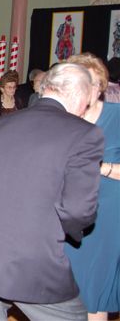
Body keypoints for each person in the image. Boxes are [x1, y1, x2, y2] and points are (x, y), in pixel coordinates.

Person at [0, 62, 104, 320]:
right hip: (36, 259)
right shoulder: (84, 134)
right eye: (88, 103)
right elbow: (78, 210)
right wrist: (67, 234)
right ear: (79, 96)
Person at [64, 53, 120, 320]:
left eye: (92, 82)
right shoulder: (64, 118)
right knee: (64, 286)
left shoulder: (117, 117)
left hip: (106, 214)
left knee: (95, 289)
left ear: (101, 87)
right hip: (67, 211)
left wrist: (101, 167)